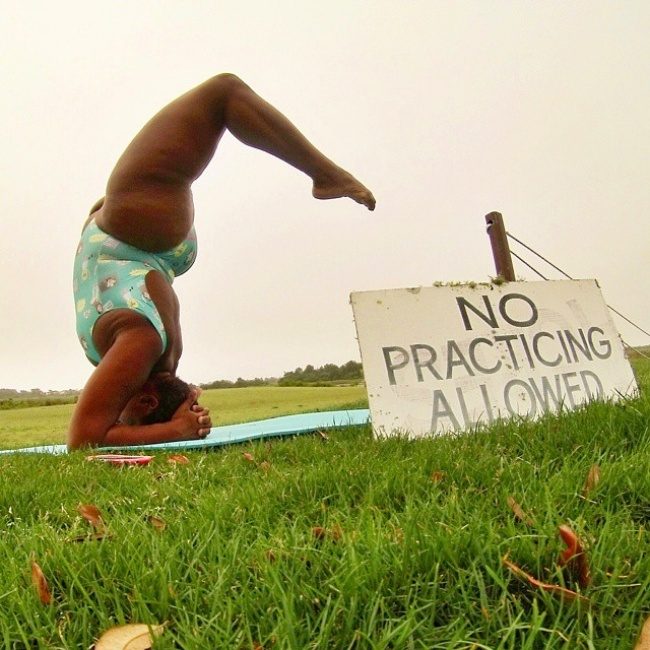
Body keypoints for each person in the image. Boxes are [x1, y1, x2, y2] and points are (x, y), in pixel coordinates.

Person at [68, 73, 375, 450]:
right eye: (123, 416)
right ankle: (325, 176)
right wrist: (176, 429)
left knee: (217, 101)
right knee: (222, 95)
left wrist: (177, 418)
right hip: (133, 235)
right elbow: (85, 438)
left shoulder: (158, 357)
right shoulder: (143, 347)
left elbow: (97, 429)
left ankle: (324, 176)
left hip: (139, 248)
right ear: (147, 402)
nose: (115, 413)